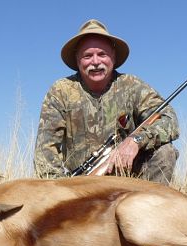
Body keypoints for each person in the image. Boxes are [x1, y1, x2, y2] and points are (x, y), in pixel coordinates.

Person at [34, 19, 179, 185]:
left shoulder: (131, 85)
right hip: (80, 184)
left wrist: (136, 140)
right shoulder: (60, 91)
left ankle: (150, 208)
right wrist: (60, 190)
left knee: (165, 152)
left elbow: (169, 119)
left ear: (113, 57)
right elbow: (46, 150)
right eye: (87, 56)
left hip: (130, 179)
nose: (95, 62)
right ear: (78, 60)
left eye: (102, 54)